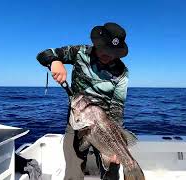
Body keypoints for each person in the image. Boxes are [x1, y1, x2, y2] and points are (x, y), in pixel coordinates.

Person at [36, 22, 129, 180]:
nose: (108, 55)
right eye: (105, 49)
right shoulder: (79, 52)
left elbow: (117, 109)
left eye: (113, 51)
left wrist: (115, 144)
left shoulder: (122, 73)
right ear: (96, 43)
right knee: (73, 172)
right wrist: (54, 61)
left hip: (106, 128)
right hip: (77, 121)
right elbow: (44, 54)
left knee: (111, 173)